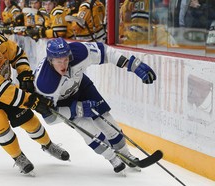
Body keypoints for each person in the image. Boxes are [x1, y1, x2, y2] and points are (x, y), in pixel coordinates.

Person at [28, 38, 156, 174]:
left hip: (82, 87)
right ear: (50, 60)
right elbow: (50, 118)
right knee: (88, 130)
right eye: (59, 61)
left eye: (66, 59)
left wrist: (132, 64)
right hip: (64, 104)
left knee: (108, 123)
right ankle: (112, 158)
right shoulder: (45, 83)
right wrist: (77, 110)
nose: (63, 65)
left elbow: (105, 52)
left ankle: (126, 155)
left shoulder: (79, 51)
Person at [0, 20, 70, 175]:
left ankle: (48, 144)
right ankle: (18, 157)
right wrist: (32, 101)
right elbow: (3, 93)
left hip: (2, 87)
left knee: (28, 120)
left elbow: (18, 54)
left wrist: (25, 74)